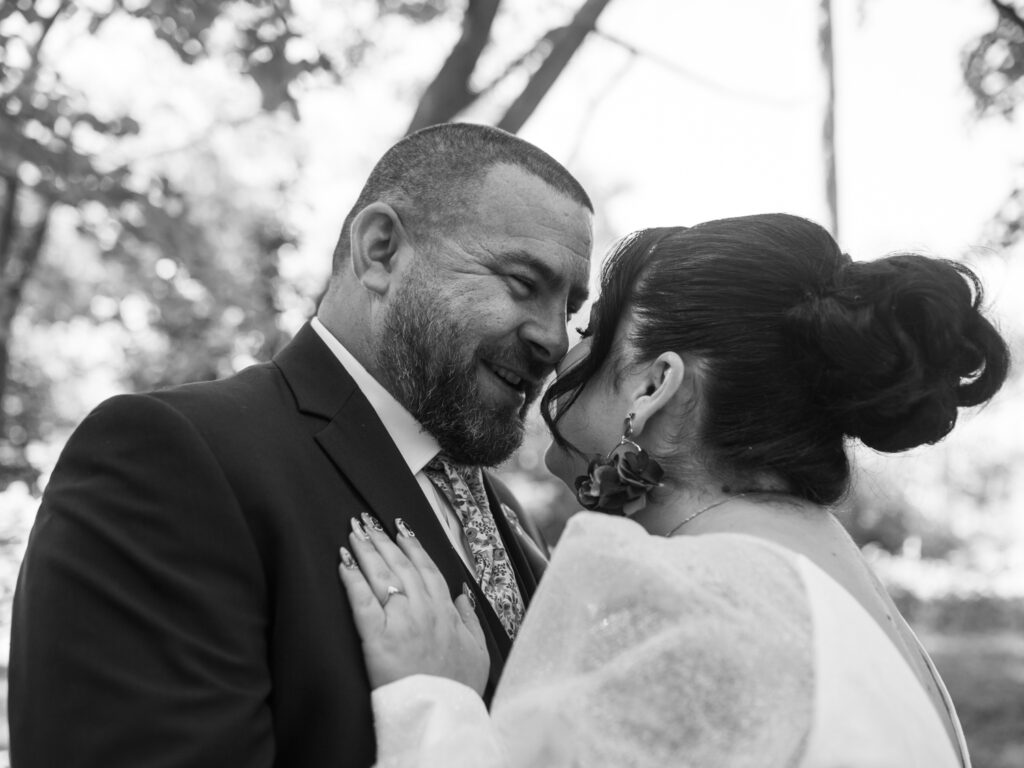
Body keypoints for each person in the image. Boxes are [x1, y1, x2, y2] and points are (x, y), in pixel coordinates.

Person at [9, 123, 594, 767]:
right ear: (380, 251)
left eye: (570, 306)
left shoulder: (510, 520)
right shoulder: (175, 457)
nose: (555, 340)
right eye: (521, 283)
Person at [337, 213, 1010, 767]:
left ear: (655, 387)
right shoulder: (835, 588)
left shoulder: (697, 595)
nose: (558, 353)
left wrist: (430, 702)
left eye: (593, 328)